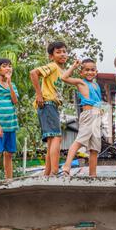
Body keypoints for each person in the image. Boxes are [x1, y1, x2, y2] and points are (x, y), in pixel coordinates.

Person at [29, 41, 68, 176]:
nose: (62, 54)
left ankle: (48, 173)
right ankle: (55, 171)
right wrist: (39, 94)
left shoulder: (61, 70)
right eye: (58, 52)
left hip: (52, 105)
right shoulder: (52, 66)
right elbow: (33, 73)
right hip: (48, 103)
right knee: (56, 138)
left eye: (64, 51)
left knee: (52, 140)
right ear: (51, 56)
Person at [61, 58, 103, 177]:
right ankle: (66, 167)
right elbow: (64, 77)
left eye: (92, 70)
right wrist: (74, 66)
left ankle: (92, 175)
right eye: (87, 70)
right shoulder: (81, 82)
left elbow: (98, 101)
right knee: (79, 141)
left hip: (97, 116)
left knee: (94, 148)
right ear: (82, 72)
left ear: (96, 71)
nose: (90, 72)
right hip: (88, 115)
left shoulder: (96, 85)